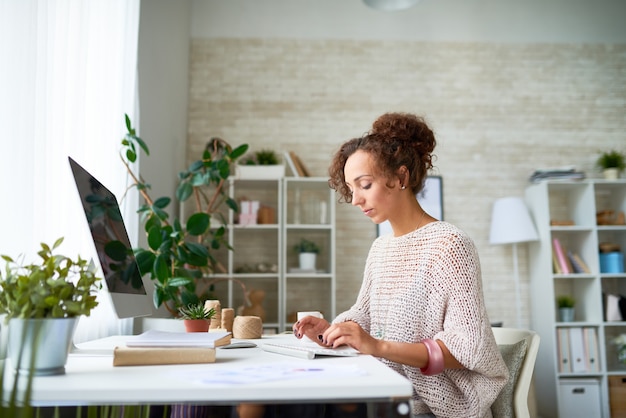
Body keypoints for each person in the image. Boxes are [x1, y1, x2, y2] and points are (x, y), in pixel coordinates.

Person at [293, 112, 508, 418]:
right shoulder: (381, 248)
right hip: (385, 395)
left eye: (364, 185)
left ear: (401, 178)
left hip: (437, 409)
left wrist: (378, 347)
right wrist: (331, 331)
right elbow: (365, 317)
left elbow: (468, 349)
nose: (355, 200)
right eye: (351, 189)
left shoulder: (450, 245)